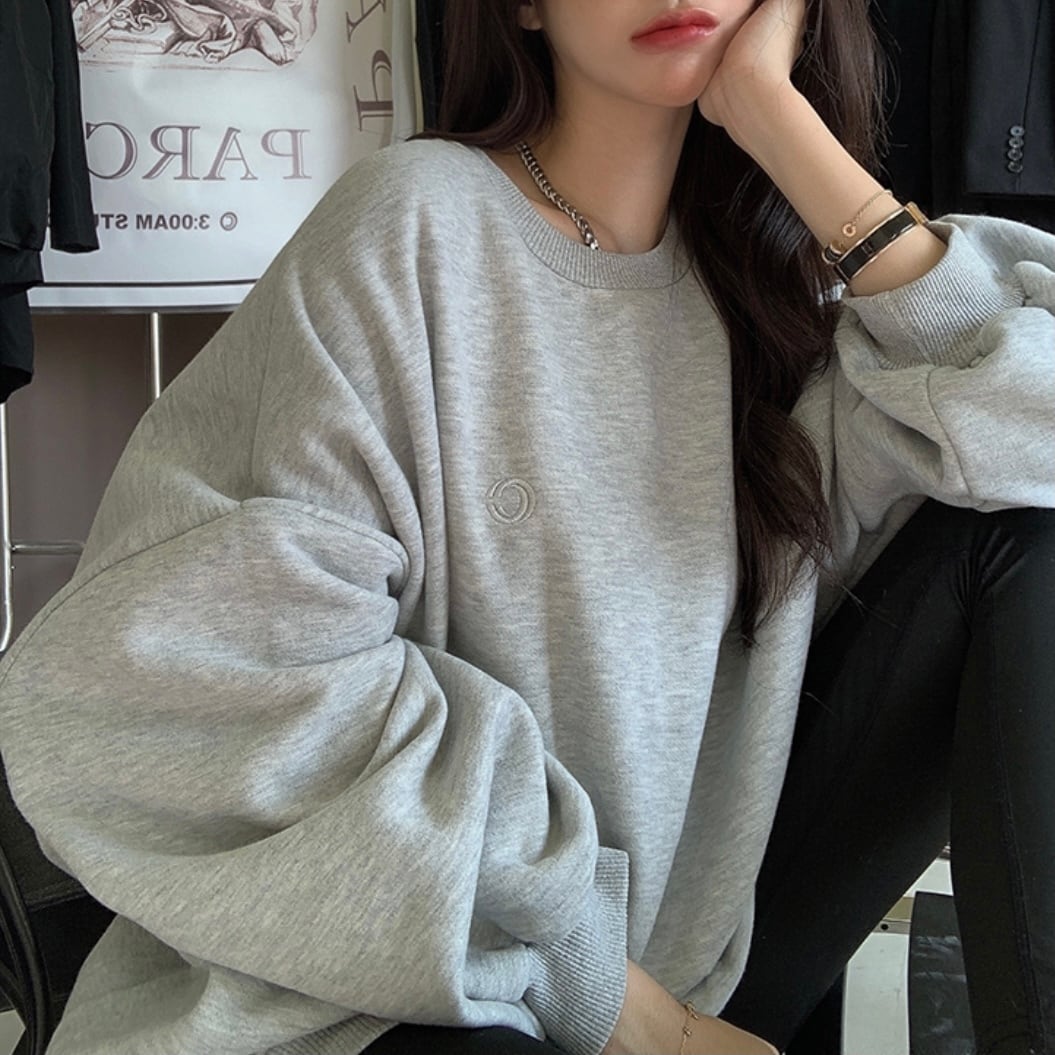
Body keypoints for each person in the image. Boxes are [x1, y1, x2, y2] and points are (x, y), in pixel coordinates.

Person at [0, 1, 1052, 1053]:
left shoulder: (776, 289)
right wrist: (614, 998)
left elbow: (1033, 438)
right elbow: (200, 663)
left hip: (690, 955)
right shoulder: (418, 223)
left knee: (1027, 542)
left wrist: (781, 126)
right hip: (393, 977)